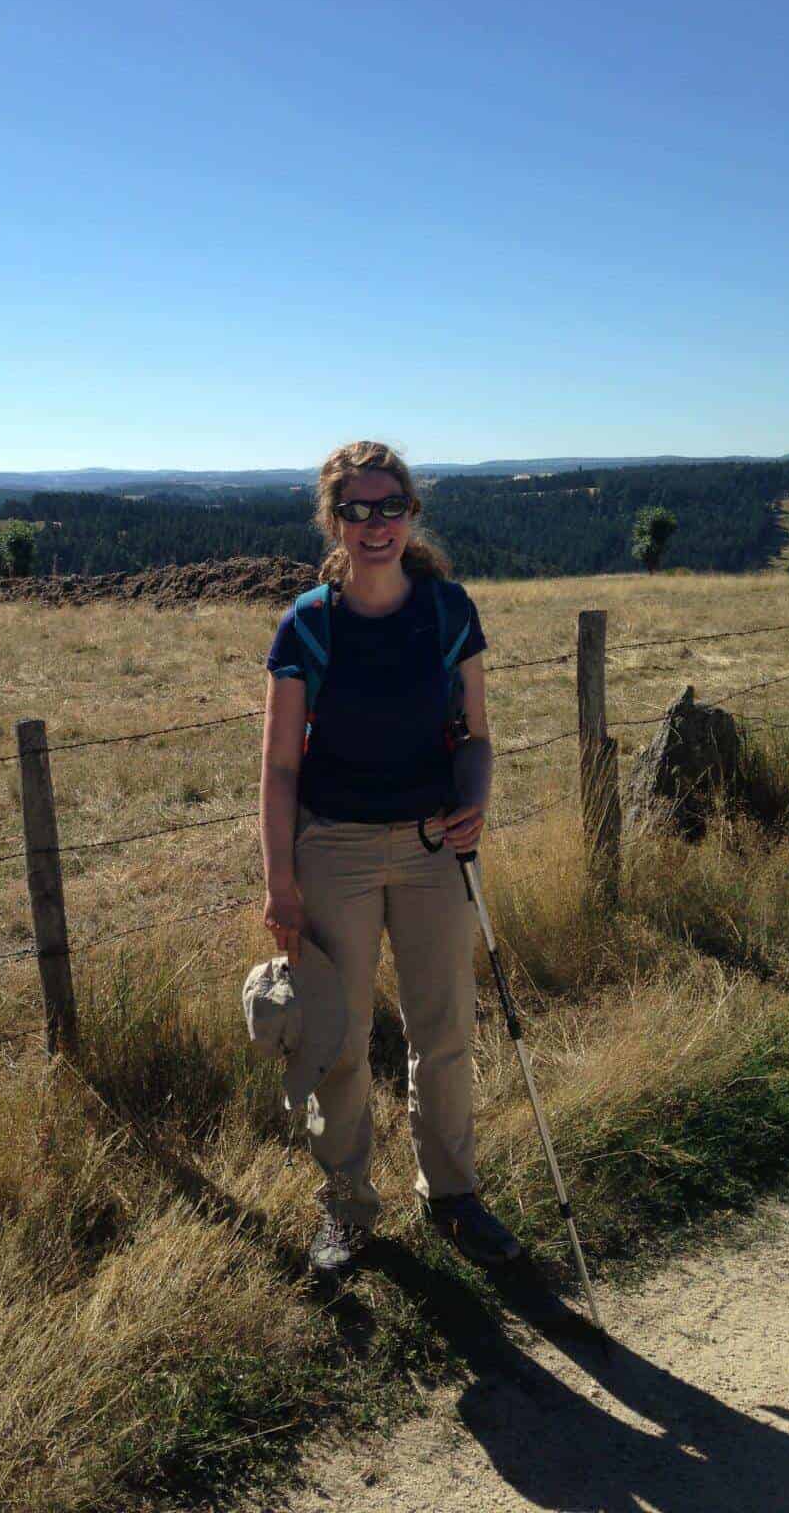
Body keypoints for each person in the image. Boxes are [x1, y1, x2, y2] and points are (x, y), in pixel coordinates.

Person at [259, 440, 521, 1273]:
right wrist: (281, 885)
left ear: (412, 515)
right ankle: (346, 1209)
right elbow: (279, 767)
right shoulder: (307, 624)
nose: (375, 525)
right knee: (335, 1037)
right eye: (357, 511)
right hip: (331, 849)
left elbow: (476, 739)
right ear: (333, 521)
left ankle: (452, 1196)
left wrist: (475, 800)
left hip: (432, 846)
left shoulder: (448, 611)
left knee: (443, 1029)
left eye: (390, 508)